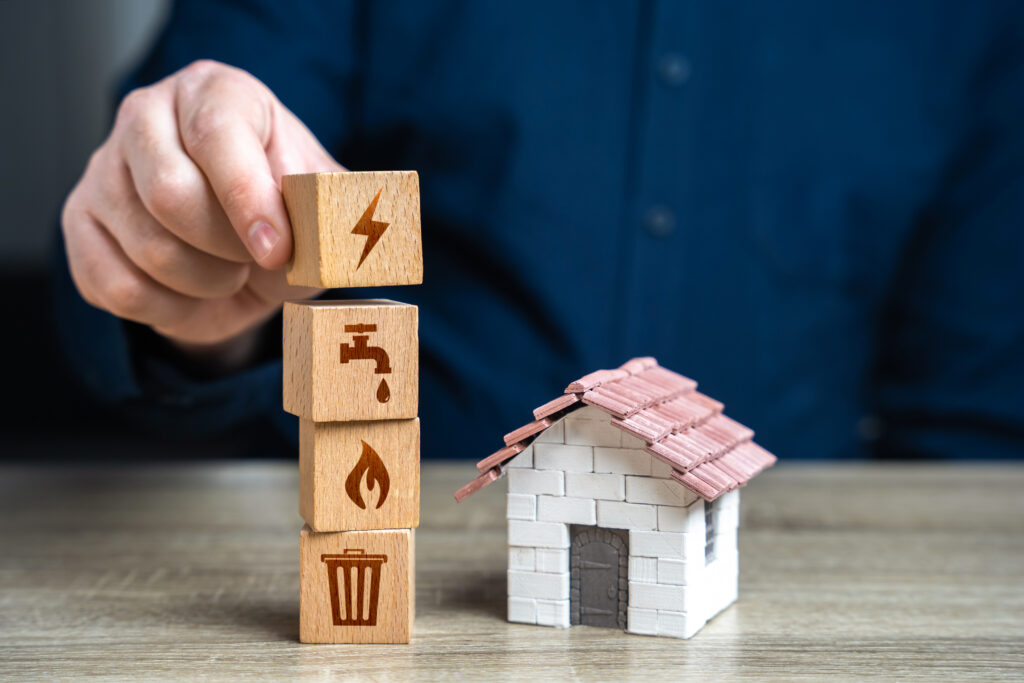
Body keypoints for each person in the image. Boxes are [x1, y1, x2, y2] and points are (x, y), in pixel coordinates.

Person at [56, 0, 1024, 461]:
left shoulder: (973, 25)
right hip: (356, 552)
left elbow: (973, 421)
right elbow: (159, 218)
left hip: (786, 584)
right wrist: (189, 282)